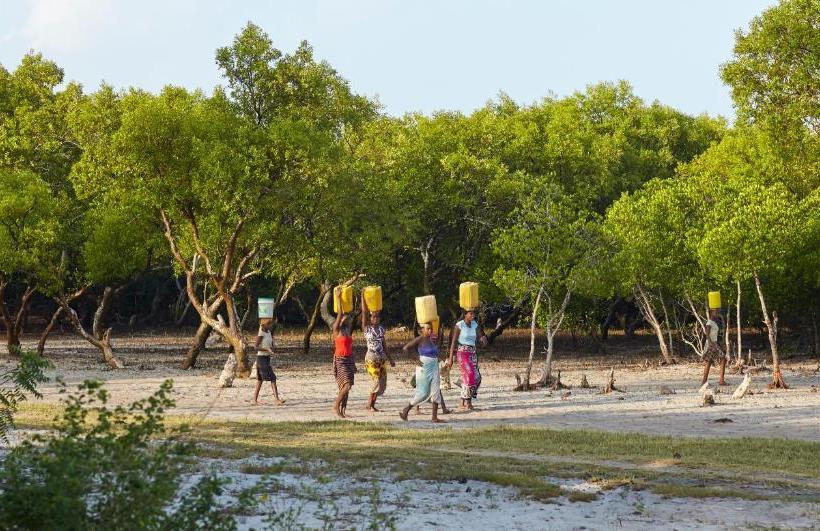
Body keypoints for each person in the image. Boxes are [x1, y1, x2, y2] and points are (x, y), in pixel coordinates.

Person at [400, 322, 450, 423]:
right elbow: (405, 348)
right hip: (424, 368)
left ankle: (434, 417)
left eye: (431, 329)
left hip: (434, 367)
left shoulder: (432, 340)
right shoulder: (420, 339)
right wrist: (415, 359)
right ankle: (407, 409)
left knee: (436, 390)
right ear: (422, 330)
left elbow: (436, 353)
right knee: (423, 393)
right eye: (427, 329)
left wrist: (443, 361)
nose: (430, 331)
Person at [448, 309, 488, 410]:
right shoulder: (459, 325)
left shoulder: (475, 324)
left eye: (474, 313)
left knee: (477, 378)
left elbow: (481, 336)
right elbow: (453, 343)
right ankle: (468, 402)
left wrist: (483, 339)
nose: (473, 315)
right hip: (462, 353)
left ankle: (462, 400)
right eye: (471, 314)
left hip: (472, 354)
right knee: (470, 374)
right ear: (465, 315)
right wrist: (450, 358)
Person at [362, 294, 394, 412]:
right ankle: (368, 405)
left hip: (380, 358)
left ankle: (373, 405)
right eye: (373, 317)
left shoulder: (381, 329)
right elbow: (364, 312)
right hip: (371, 358)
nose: (375, 318)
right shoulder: (367, 329)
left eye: (377, 317)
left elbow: (384, 345)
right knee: (376, 382)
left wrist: (390, 359)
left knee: (382, 382)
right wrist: (363, 296)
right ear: (370, 318)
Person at [332, 287, 356, 418]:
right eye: (343, 318)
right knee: (345, 386)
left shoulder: (347, 331)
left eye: (348, 318)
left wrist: (353, 363)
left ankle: (343, 411)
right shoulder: (337, 329)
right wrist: (338, 297)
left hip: (348, 360)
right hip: (340, 360)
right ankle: (335, 406)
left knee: (347, 387)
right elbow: (340, 313)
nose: (346, 319)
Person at [252, 319, 285, 406]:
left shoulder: (269, 332)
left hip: (266, 358)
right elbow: (255, 347)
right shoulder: (261, 333)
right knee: (273, 378)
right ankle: (276, 399)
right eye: (268, 324)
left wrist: (272, 348)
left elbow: (270, 344)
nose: (270, 326)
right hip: (261, 359)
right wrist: (266, 349)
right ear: (264, 325)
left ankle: (254, 400)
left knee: (260, 380)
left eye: (270, 324)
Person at [702, 308, 728, 386]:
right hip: (711, 344)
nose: (717, 313)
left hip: (714, 343)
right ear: (711, 313)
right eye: (715, 312)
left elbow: (720, 331)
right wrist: (710, 343)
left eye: (717, 312)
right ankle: (721, 380)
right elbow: (707, 333)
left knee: (709, 362)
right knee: (723, 359)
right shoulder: (709, 322)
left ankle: (704, 381)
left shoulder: (715, 322)